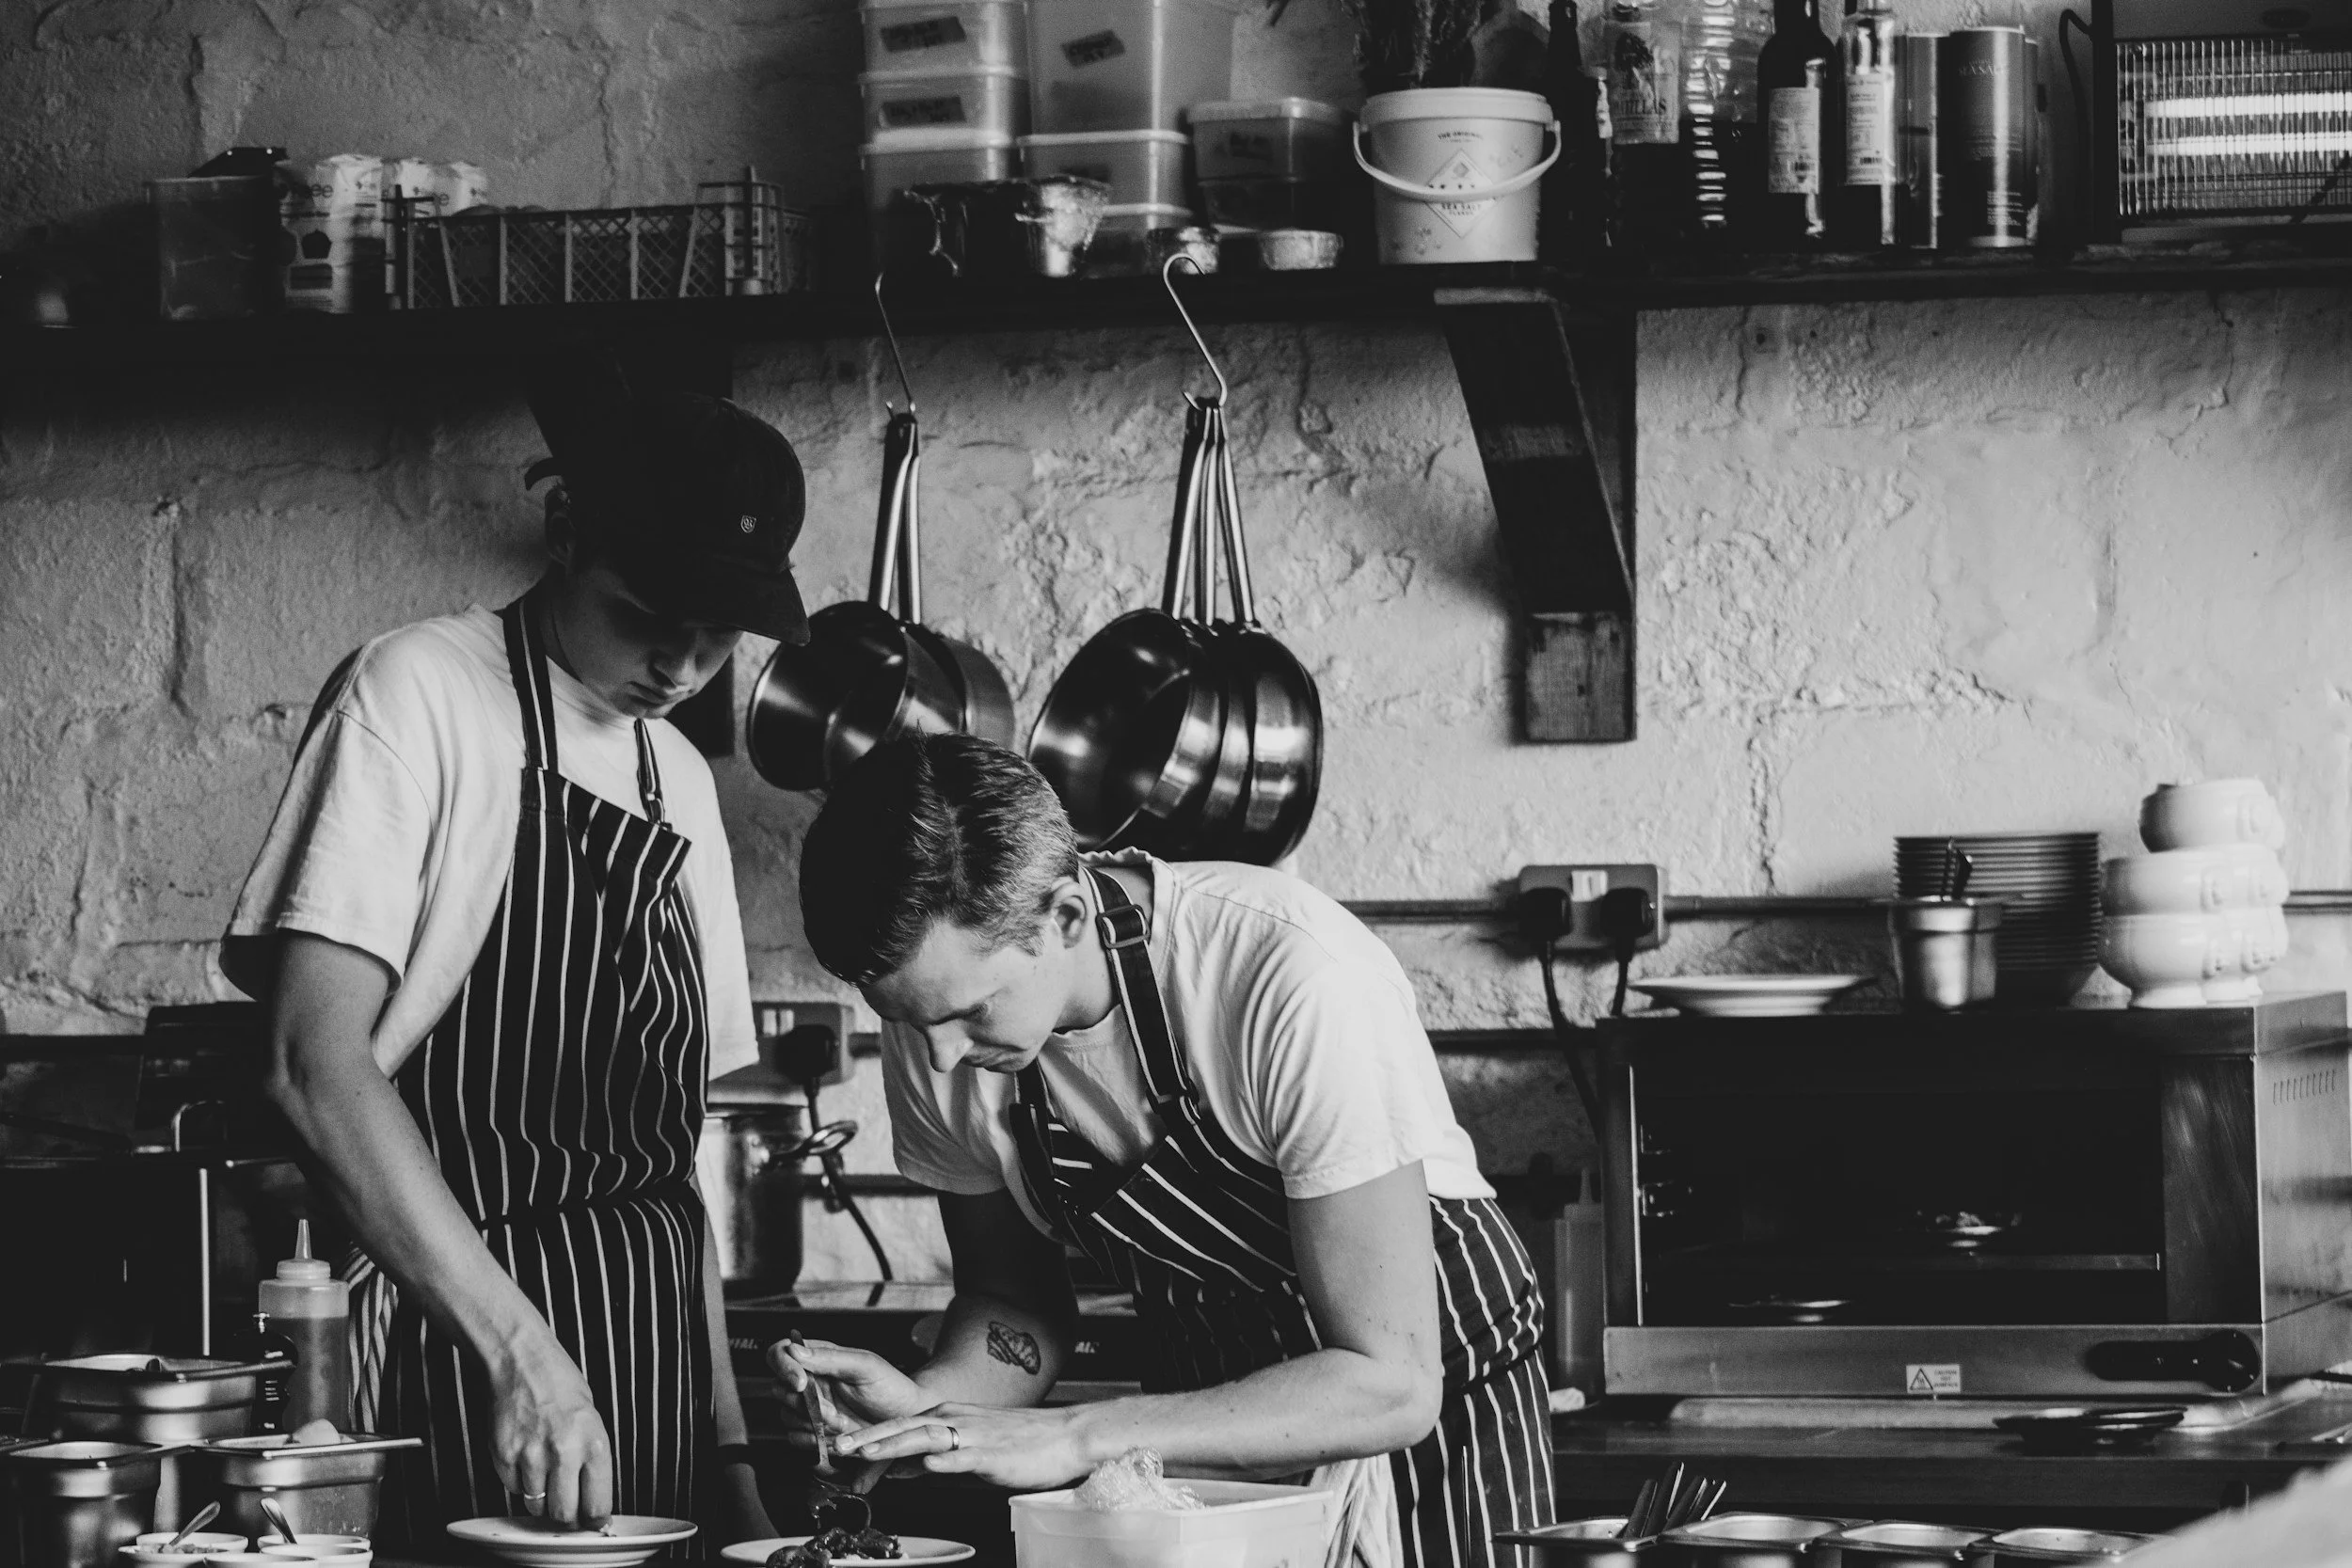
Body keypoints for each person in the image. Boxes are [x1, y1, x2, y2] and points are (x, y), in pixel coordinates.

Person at [221, 368, 806, 1545]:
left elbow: (671, 1172)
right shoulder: (419, 693)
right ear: (564, 530)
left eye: (717, 633)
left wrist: (730, 1452)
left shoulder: (679, 780)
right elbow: (310, 1061)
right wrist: (520, 1352)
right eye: (653, 616)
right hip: (463, 1358)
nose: (683, 669)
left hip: (650, 1385)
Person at [773, 734, 1555, 1568]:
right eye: (908, 1021)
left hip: (1430, 1412)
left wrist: (1076, 1435)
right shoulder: (941, 1023)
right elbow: (1013, 1299)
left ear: (1066, 916)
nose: (938, 1058)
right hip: (1205, 1415)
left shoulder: (1288, 978)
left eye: (974, 1012)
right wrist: (928, 1409)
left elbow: (1392, 1381)